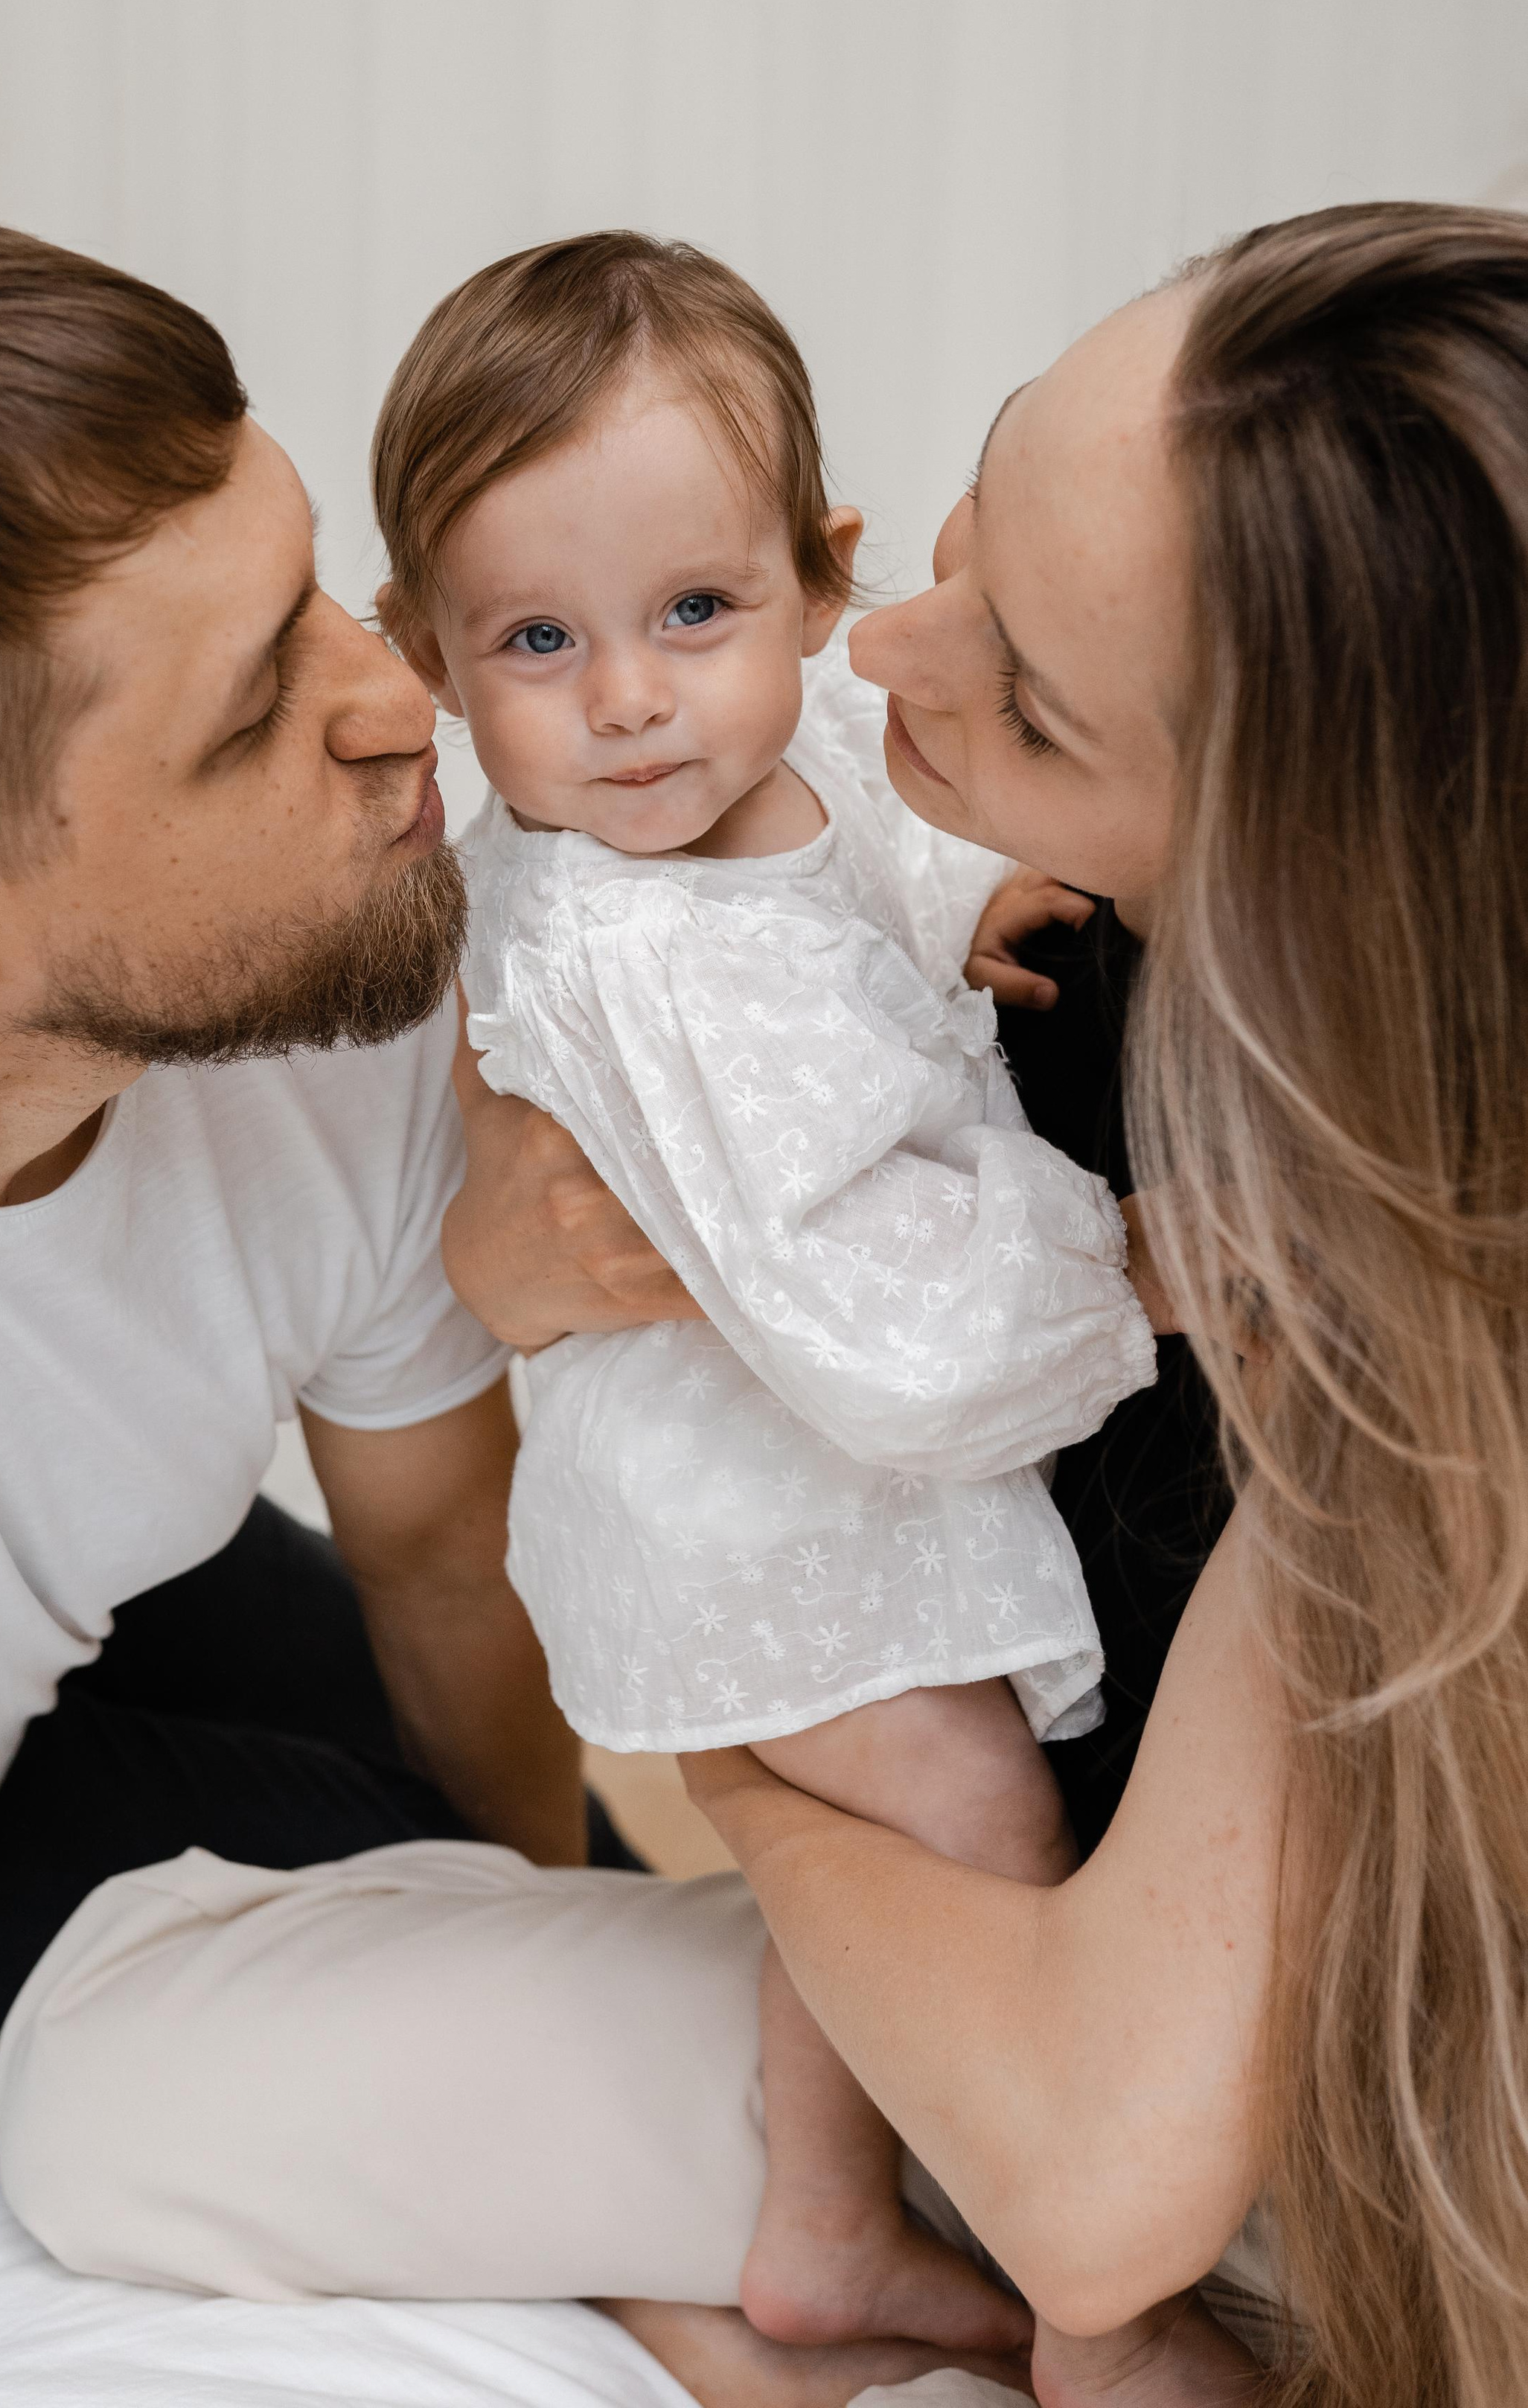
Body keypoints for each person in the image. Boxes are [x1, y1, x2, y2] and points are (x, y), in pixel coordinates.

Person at [0, 206, 1528, 2408]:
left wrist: (733, 1755)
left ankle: (850, 2295)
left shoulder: (1363, 1259)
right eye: (978, 514)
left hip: (1152, 2048)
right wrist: (509, 1264)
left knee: (142, 2053)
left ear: (1292, 852)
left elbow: (1104, 2166)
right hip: (989, 1903)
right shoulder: (981, 912)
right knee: (112, 2056)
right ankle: (794, 2265)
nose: (885, 643)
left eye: (1028, 692)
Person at [0, 207, 631, 2139]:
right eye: (253, 715)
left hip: (57, 1584)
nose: (398, 702)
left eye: (313, 583)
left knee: (630, 1958)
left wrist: (559, 2000)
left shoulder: (339, 968)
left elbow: (441, 1550)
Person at [370, 231, 1156, 2360]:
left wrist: (972, 891)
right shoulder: (630, 948)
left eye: (695, 612)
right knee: (977, 1819)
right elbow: (876, 1326)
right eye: (538, 640)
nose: (630, 698)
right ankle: (965, 2245)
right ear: (430, 659)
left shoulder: (788, 731)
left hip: (816, 1470)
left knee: (926, 1833)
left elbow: (867, 824)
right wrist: (1134, 1267)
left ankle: (827, 2218)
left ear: (819, 580)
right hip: (756, 1502)